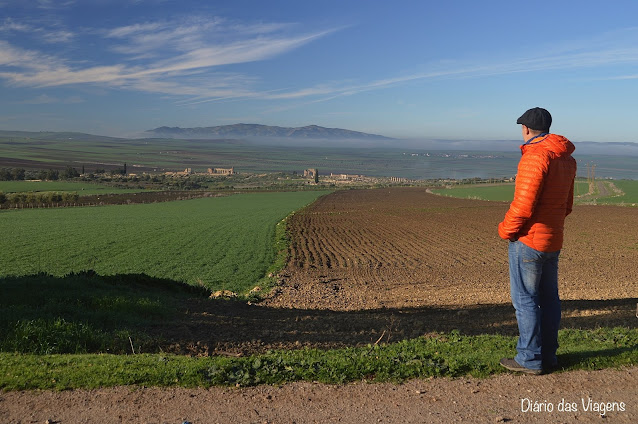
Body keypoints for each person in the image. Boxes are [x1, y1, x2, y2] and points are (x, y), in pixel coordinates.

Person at [498, 107, 577, 375]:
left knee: (525, 300)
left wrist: (506, 230)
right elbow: (567, 205)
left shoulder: (535, 156)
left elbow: (523, 205)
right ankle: (549, 356)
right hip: (554, 238)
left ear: (527, 130)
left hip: (529, 240)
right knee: (549, 299)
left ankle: (529, 359)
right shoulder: (566, 157)